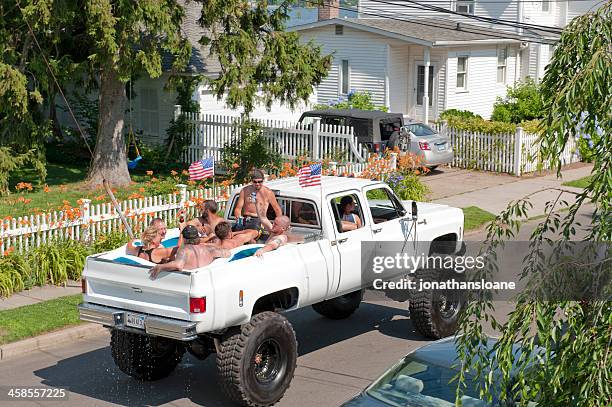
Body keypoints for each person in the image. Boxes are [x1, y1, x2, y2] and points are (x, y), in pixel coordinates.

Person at [149, 225, 230, 279]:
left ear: (184, 239)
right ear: (197, 237)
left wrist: (160, 266)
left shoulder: (184, 250)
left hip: (189, 280)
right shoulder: (208, 249)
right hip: (206, 278)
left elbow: (178, 265)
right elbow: (227, 253)